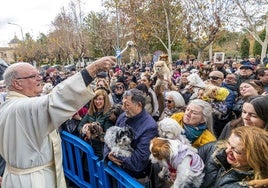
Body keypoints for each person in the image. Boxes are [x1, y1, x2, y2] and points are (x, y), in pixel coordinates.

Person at [0, 56, 116, 188]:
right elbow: (56, 99)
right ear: (17, 83)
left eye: (38, 74)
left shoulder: (7, 106)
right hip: (33, 182)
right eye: (33, 76)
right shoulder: (20, 108)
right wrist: (93, 69)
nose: (40, 78)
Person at [103, 88, 158, 184]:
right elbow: (110, 138)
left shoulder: (150, 127)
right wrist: (108, 154)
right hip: (116, 171)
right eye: (123, 104)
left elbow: (138, 162)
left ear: (139, 105)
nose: (123, 108)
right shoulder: (123, 116)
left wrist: (115, 154)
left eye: (127, 105)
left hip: (132, 178)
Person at [198, 126, 268, 188]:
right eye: (228, 143)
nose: (227, 151)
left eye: (236, 151)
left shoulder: (258, 183)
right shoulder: (212, 149)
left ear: (254, 158)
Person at [78, 88, 114, 159]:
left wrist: (92, 135)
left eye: (100, 99)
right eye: (95, 99)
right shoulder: (90, 112)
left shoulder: (109, 115)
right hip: (88, 147)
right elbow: (80, 126)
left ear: (105, 100)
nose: (97, 101)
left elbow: (107, 136)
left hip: (100, 151)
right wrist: (84, 131)